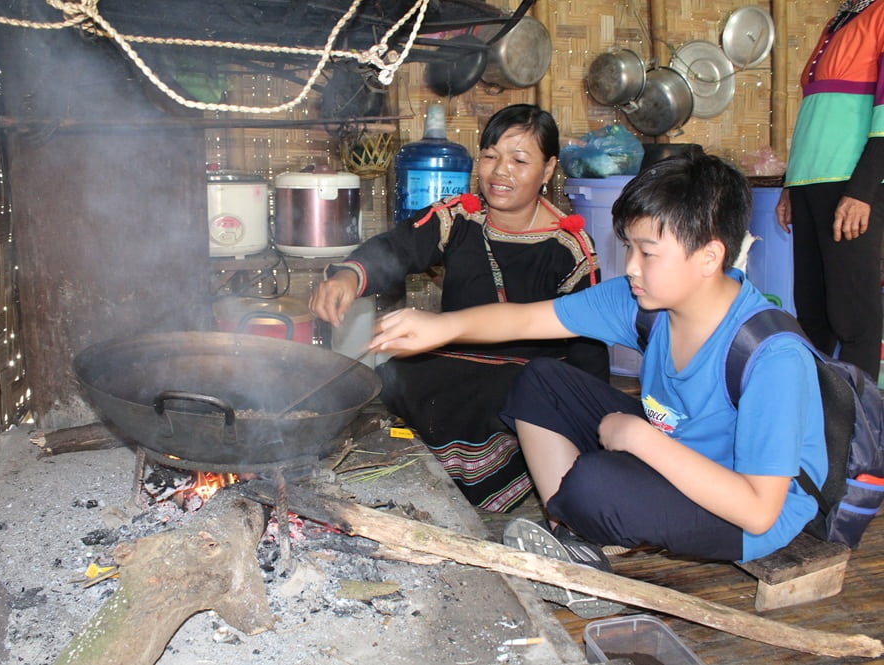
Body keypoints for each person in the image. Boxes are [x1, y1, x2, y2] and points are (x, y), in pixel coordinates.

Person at [369, 153, 828, 618]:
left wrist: (638, 438)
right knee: (540, 379)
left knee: (593, 484)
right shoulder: (645, 302)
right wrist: (441, 327)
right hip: (675, 450)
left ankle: (577, 525)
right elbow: (530, 316)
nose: (630, 266)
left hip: (744, 511)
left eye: (647, 253)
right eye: (628, 248)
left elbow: (757, 510)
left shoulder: (771, 355)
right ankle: (574, 542)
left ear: (709, 256)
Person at [309, 104, 609, 512]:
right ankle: (446, 472)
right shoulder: (459, 217)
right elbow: (399, 246)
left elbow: (589, 344)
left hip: (525, 377)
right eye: (490, 156)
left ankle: (500, 477)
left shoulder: (570, 247)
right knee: (400, 372)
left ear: (549, 168)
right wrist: (349, 275)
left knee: (498, 399)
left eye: (520, 160)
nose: (500, 171)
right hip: (455, 357)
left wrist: (591, 422)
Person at [776, 0, 884, 381]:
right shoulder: (842, 19)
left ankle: (860, 425)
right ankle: (819, 415)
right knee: (812, 311)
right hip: (811, 183)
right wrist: (790, 184)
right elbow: (816, 111)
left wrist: (863, 190)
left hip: (850, 182)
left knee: (854, 316)